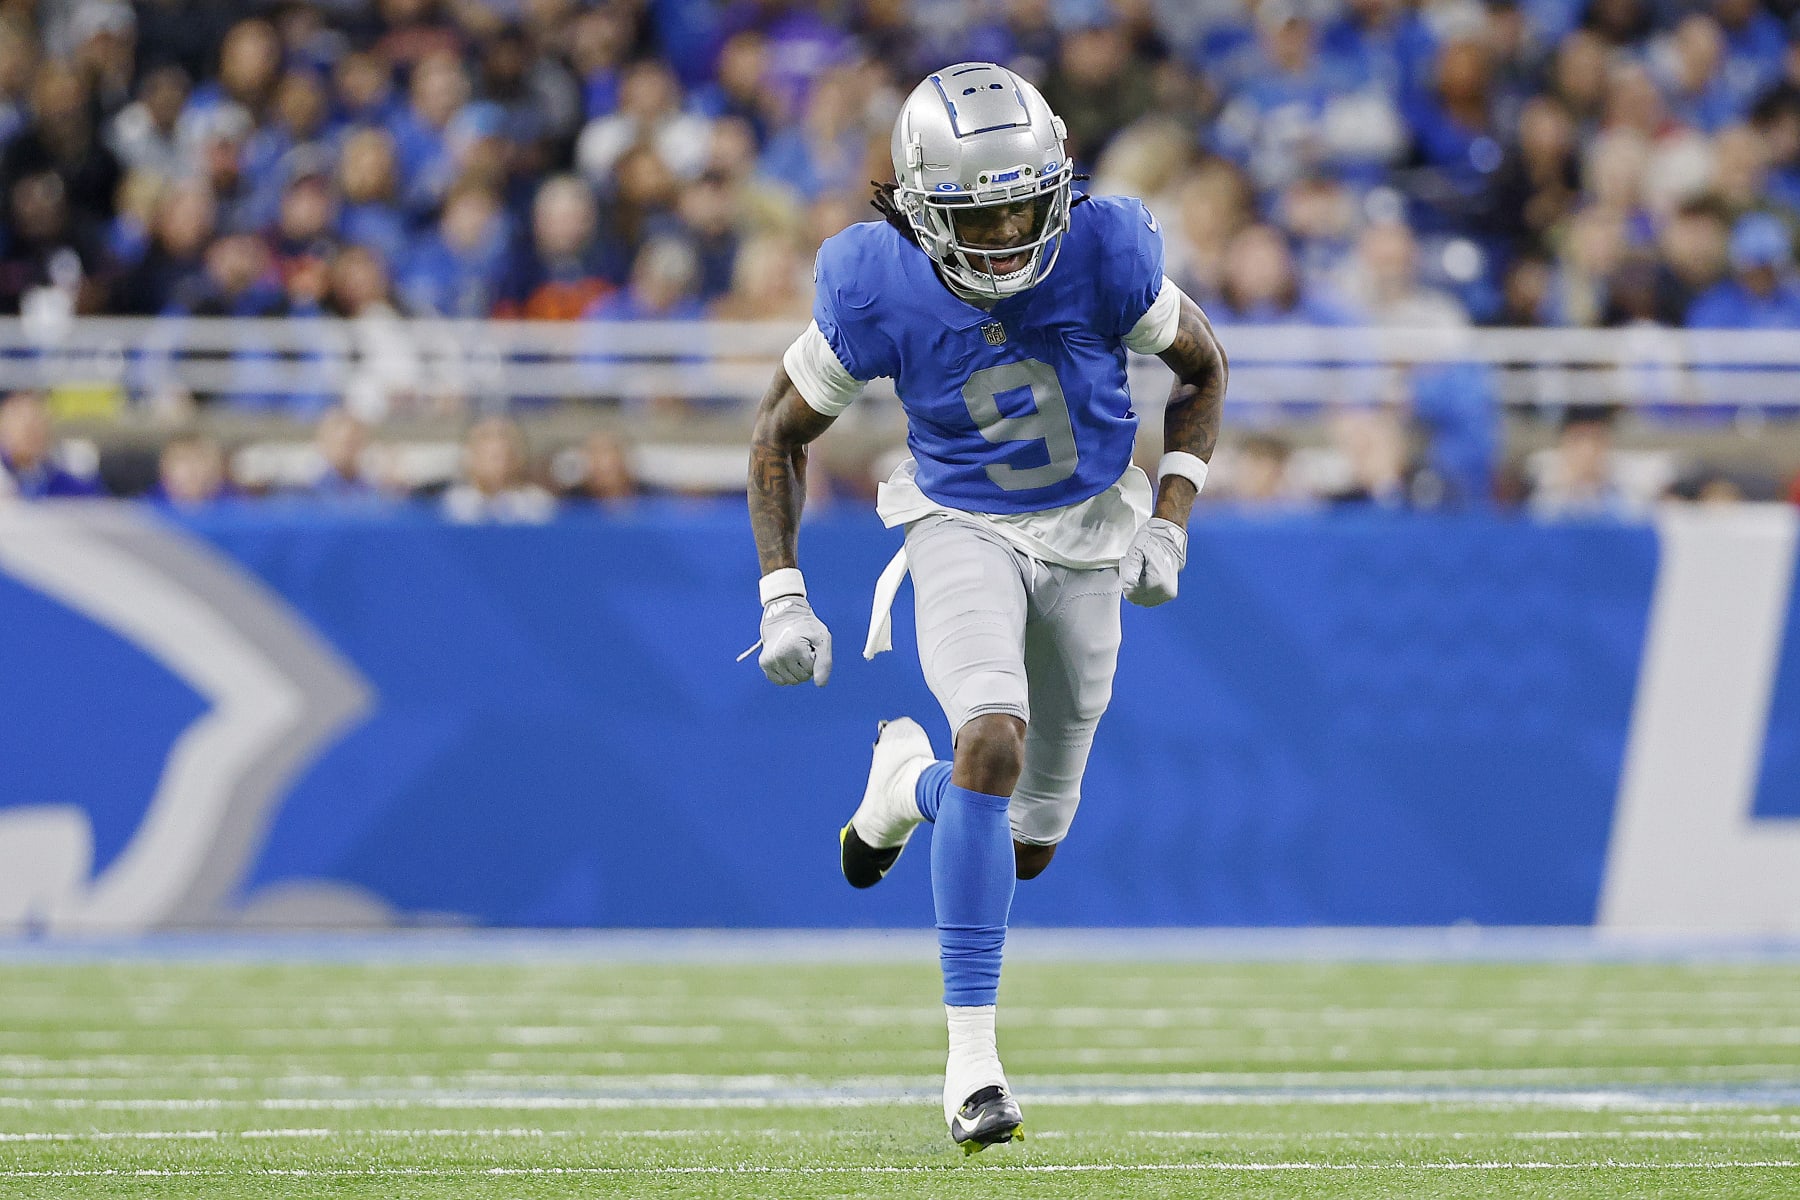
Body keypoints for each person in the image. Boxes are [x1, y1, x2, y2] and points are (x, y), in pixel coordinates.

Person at [745, 63, 1226, 1153]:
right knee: (992, 741)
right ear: (920, 210)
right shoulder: (874, 284)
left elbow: (1203, 368)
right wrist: (783, 595)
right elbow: (779, 433)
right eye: (980, 211)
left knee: (1024, 844)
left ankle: (903, 786)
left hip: (1094, 530)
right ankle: (973, 1066)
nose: (1009, 233)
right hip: (959, 523)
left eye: (1024, 201)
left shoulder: (1108, 249)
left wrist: (1171, 518)